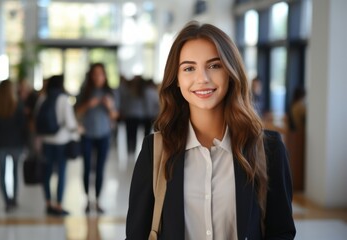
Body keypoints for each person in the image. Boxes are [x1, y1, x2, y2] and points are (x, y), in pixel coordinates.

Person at [125, 21, 296, 239]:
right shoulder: (155, 150)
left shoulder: (268, 149)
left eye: (214, 66)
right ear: (176, 79)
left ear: (230, 72)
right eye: (189, 68)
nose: (202, 79)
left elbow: (281, 231)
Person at [75, 62, 119, 214]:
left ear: (105, 75)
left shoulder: (111, 93)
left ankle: (98, 200)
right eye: (95, 74)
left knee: (100, 168)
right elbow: (77, 112)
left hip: (104, 135)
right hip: (87, 134)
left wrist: (109, 107)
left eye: (100, 73)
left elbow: (115, 115)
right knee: (87, 167)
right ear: (91, 75)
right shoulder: (84, 91)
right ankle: (88, 199)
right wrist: (88, 104)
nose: (97, 77)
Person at [35, 74, 79, 216]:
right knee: (61, 173)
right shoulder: (63, 99)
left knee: (47, 173)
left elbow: (37, 119)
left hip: (47, 141)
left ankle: (48, 203)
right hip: (61, 142)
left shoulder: (43, 98)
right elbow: (70, 123)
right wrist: (78, 131)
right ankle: (59, 205)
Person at [0, 80, 27, 212]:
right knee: (15, 172)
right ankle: (14, 199)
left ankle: (7, 201)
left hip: (1, 143)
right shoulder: (19, 105)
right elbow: (23, 126)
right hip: (16, 143)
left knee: (2, 173)